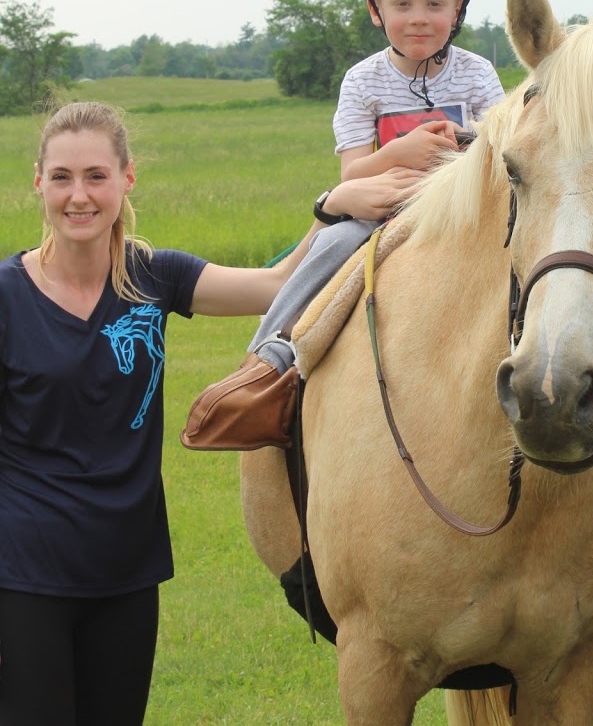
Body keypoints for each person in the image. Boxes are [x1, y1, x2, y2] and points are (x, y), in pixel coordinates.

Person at [0, 101, 359, 724]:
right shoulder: (6, 297)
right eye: (61, 177)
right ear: (38, 182)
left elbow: (277, 286)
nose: (78, 195)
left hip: (127, 566)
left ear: (126, 179)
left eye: (95, 176)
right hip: (23, 572)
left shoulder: (153, 277)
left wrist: (336, 204)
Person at [208, 0, 504, 434]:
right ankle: (266, 363)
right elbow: (352, 175)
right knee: (327, 247)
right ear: (375, 9)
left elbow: (501, 153)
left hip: (464, 208)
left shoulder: (478, 74)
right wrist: (403, 150)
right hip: (382, 209)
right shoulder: (362, 81)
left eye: (434, 4)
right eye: (402, 4)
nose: (419, 17)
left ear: (458, 9)